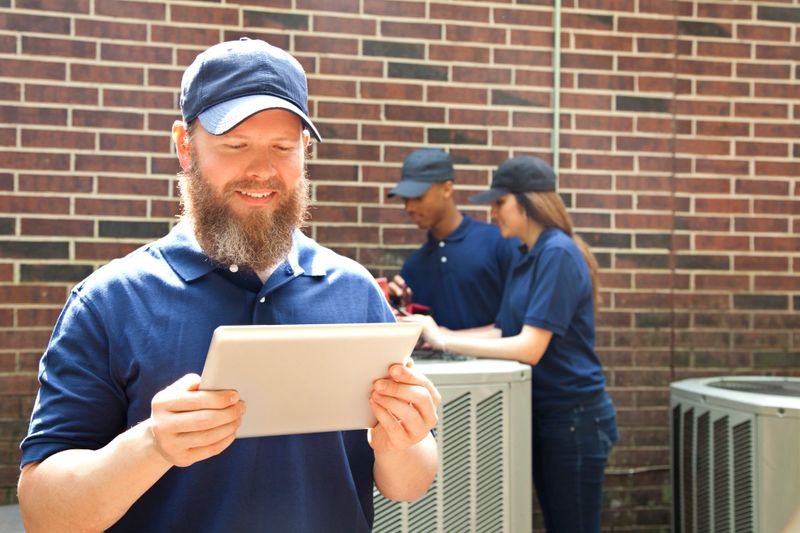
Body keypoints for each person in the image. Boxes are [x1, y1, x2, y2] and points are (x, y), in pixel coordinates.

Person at [17, 38, 440, 533]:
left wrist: (403, 439)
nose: (262, 170)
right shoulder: (109, 302)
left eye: (283, 148)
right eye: (235, 145)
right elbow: (44, 514)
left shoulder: (353, 290)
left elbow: (407, 484)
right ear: (184, 146)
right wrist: (153, 444)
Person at [405, 155, 619, 532]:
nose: (494, 213)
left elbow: (529, 347)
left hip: (574, 419)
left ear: (528, 203)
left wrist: (445, 339)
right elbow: (503, 330)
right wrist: (436, 336)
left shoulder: (557, 253)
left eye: (500, 203)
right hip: (545, 414)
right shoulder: (527, 255)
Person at [387, 148, 518, 331]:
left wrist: (448, 339)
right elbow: (422, 337)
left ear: (447, 189)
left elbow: (517, 324)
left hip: (500, 359)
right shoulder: (413, 266)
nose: (410, 207)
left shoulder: (498, 242)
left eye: (418, 197)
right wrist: (401, 309)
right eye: (405, 200)